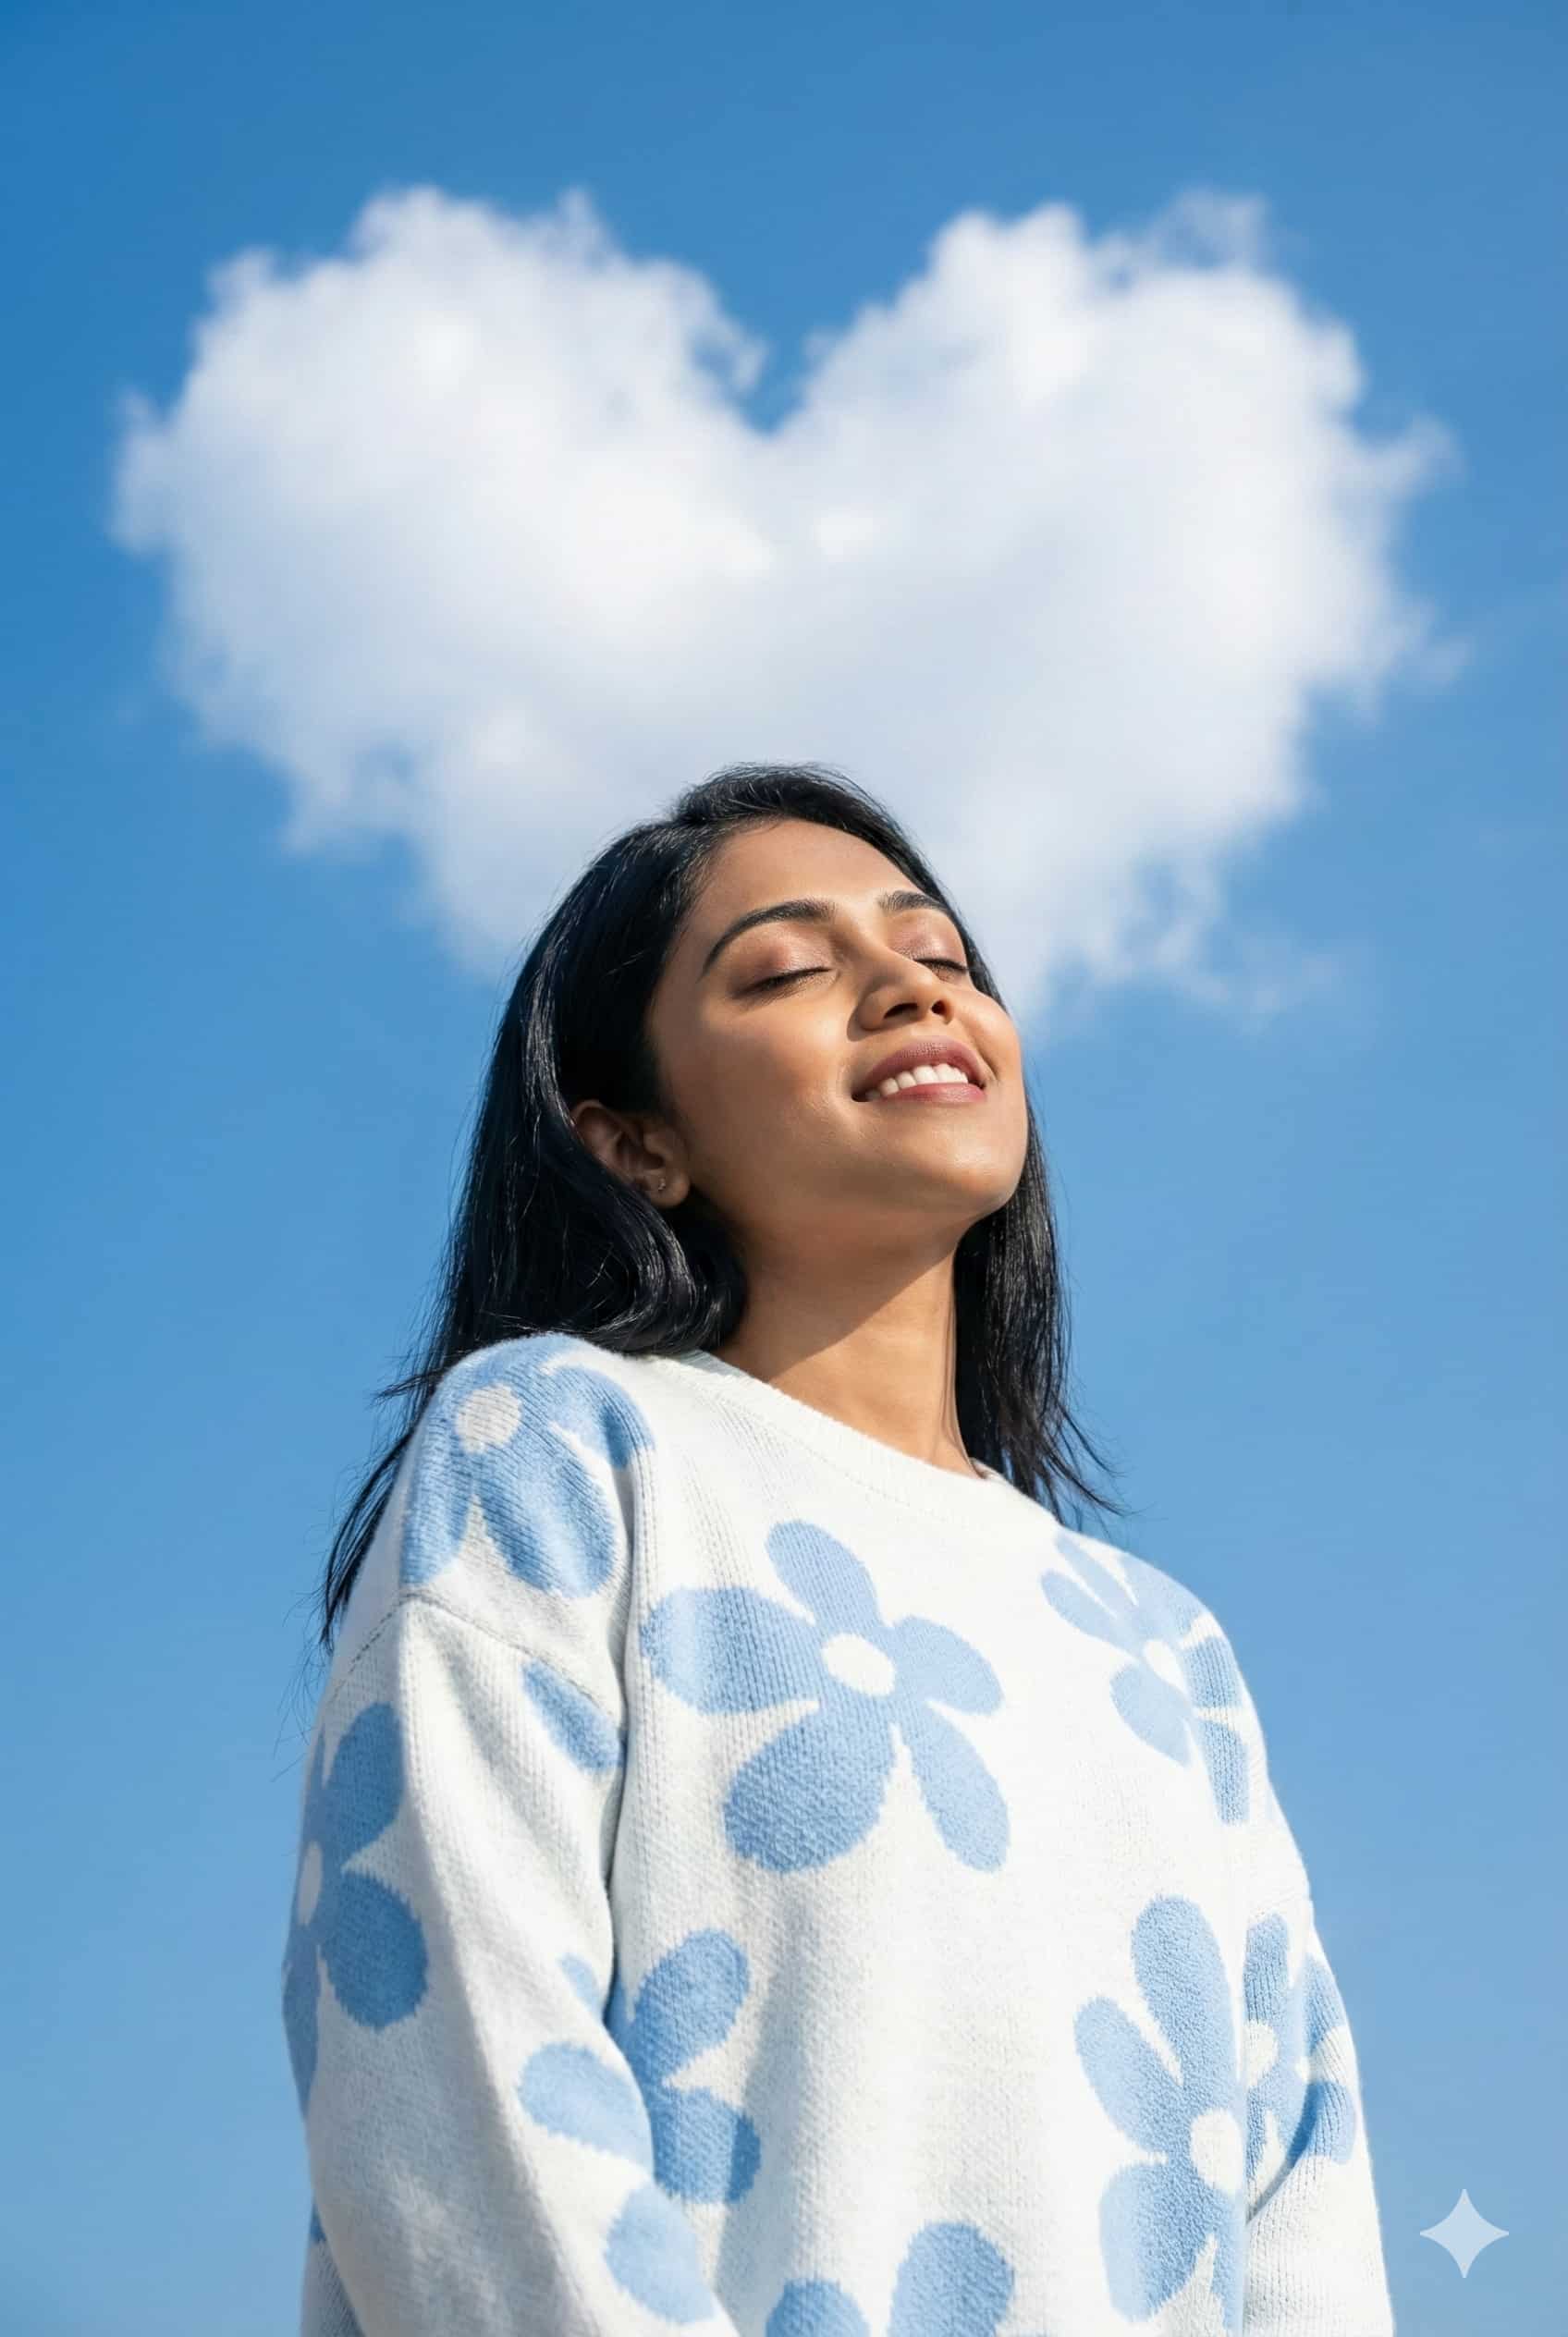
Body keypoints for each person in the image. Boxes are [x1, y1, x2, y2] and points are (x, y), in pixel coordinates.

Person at [281, 762, 1397, 2334]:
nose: (908, 992)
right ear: (632, 1143)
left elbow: (1300, 2206)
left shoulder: (1164, 1649)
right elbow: (456, 2074)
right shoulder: (560, 1447)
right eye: (795, 969)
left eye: (941, 958)